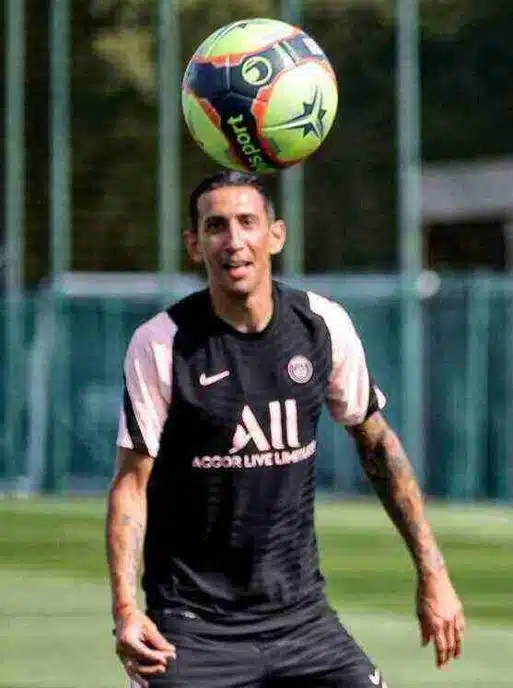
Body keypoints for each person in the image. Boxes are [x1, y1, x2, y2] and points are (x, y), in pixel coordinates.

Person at [106, 170, 466, 688]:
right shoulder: (162, 344)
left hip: (302, 621)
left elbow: (379, 446)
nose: (234, 241)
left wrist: (433, 572)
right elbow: (131, 485)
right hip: (192, 629)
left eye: (247, 222)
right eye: (216, 227)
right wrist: (126, 609)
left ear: (276, 234)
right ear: (194, 244)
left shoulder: (323, 324)